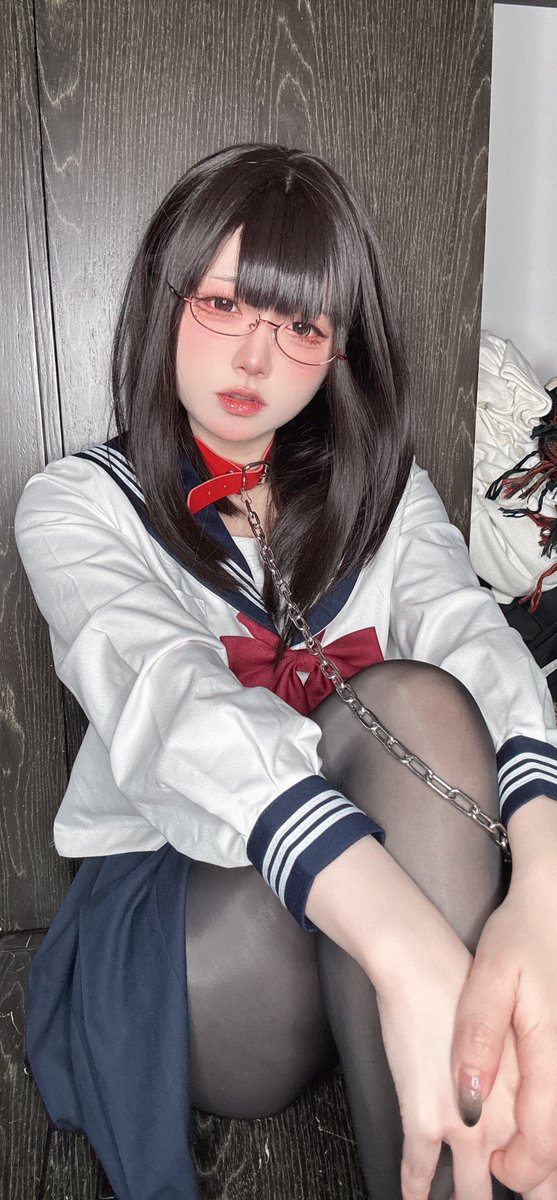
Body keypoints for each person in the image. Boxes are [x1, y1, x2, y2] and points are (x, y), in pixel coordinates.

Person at [15, 143, 557, 1200]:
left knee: (419, 698)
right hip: (201, 933)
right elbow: (171, 704)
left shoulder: (383, 491)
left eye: (301, 326)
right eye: (223, 304)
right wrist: (411, 948)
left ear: (339, 349)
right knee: (400, 729)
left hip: (360, 921)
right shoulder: (75, 506)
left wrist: (540, 884)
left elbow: (468, 633)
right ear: (164, 296)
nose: (254, 360)